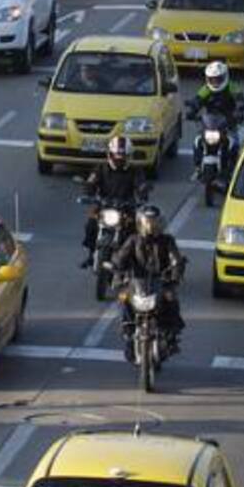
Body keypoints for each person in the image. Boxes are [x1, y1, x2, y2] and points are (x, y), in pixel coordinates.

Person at [111, 205, 186, 362]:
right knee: (123, 298)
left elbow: (176, 259)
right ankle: (128, 333)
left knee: (171, 298)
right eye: (148, 222)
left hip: (160, 282)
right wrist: (117, 268)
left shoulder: (167, 241)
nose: (151, 226)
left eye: (155, 222)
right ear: (141, 223)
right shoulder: (133, 240)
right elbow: (120, 258)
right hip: (137, 283)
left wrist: (176, 273)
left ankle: (171, 336)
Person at [79, 136, 151, 269]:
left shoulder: (135, 171)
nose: (119, 159)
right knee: (91, 225)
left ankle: (134, 261)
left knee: (135, 232)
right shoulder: (101, 168)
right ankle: (91, 255)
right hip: (104, 206)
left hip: (126, 207)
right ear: (110, 154)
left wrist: (143, 191)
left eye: (122, 156)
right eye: (116, 155)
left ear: (128, 156)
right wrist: (88, 188)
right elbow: (91, 181)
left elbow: (141, 184)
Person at [188, 61, 244, 177]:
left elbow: (240, 99)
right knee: (197, 141)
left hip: (229, 121)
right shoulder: (206, 89)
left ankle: (235, 171)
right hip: (211, 122)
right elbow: (197, 99)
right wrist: (192, 110)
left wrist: (239, 110)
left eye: (218, 79)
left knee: (234, 143)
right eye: (212, 79)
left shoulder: (232, 87)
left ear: (225, 77)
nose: (215, 82)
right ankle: (197, 167)